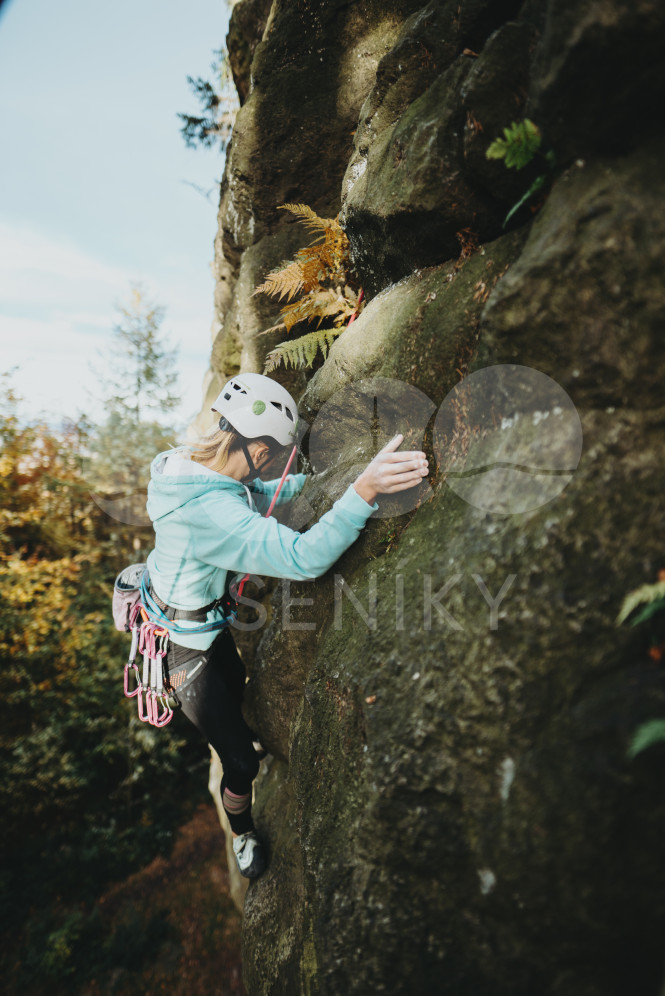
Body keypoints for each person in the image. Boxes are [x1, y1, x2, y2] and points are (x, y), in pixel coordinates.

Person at [145, 372, 429, 878]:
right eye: (275, 454)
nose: (278, 462)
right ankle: (242, 833)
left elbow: (259, 495)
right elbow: (304, 559)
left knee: (235, 691)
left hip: (206, 630)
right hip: (187, 655)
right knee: (241, 763)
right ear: (253, 449)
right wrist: (363, 490)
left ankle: (236, 735)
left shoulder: (183, 466)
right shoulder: (211, 511)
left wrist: (331, 480)